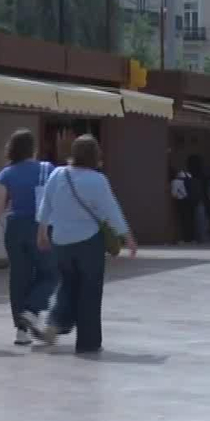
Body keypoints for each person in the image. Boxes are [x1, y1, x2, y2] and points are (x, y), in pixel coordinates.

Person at [25, 134, 136, 352]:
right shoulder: (97, 179)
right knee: (90, 291)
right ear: (96, 155)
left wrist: (42, 232)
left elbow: (46, 204)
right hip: (88, 243)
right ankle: (88, 342)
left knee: (68, 285)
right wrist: (128, 237)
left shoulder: (57, 174)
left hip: (61, 241)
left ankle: (54, 324)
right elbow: (111, 211)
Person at [0, 129, 56, 346]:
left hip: (15, 228)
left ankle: (21, 332)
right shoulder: (48, 170)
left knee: (19, 277)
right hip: (41, 227)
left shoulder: (6, 173)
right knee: (50, 273)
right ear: (33, 148)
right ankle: (32, 309)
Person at [170, 167, 194, 245]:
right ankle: (191, 238)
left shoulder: (175, 182)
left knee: (182, 220)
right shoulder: (188, 180)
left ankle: (184, 239)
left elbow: (174, 194)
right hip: (189, 201)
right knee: (189, 220)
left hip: (181, 202)